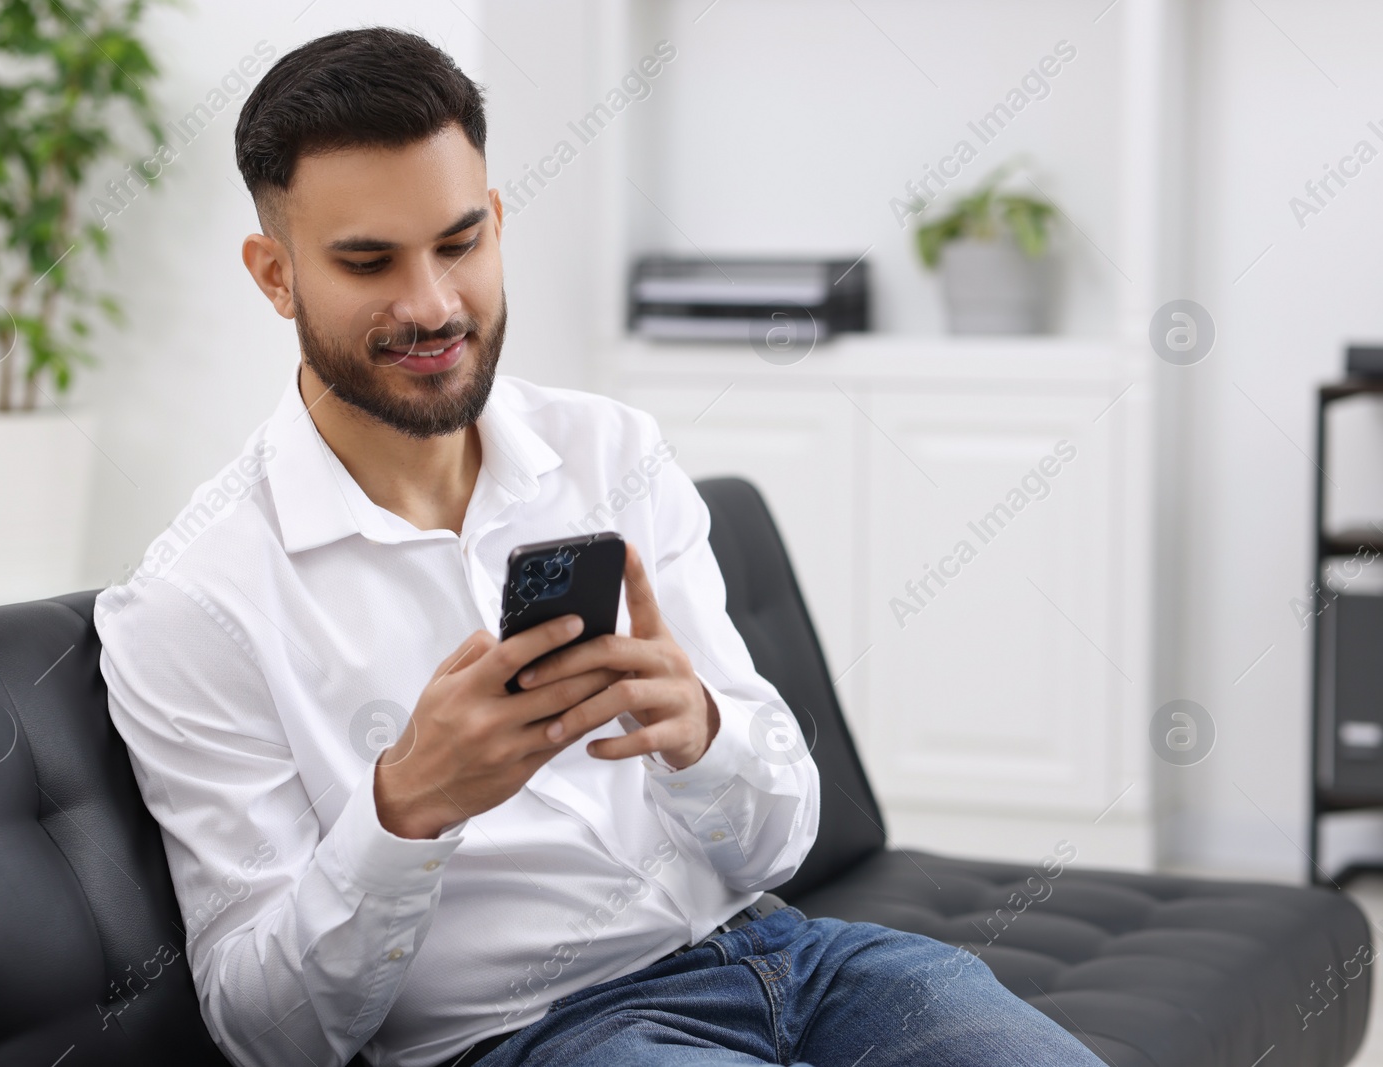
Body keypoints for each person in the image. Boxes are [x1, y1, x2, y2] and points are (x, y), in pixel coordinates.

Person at [93, 25, 1107, 1067]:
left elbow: (779, 840)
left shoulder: (610, 450)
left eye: (457, 244)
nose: (433, 304)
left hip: (796, 957)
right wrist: (405, 809)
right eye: (368, 261)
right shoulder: (190, 604)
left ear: (494, 222)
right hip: (542, 1035)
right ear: (275, 274)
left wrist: (701, 734)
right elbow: (270, 1034)